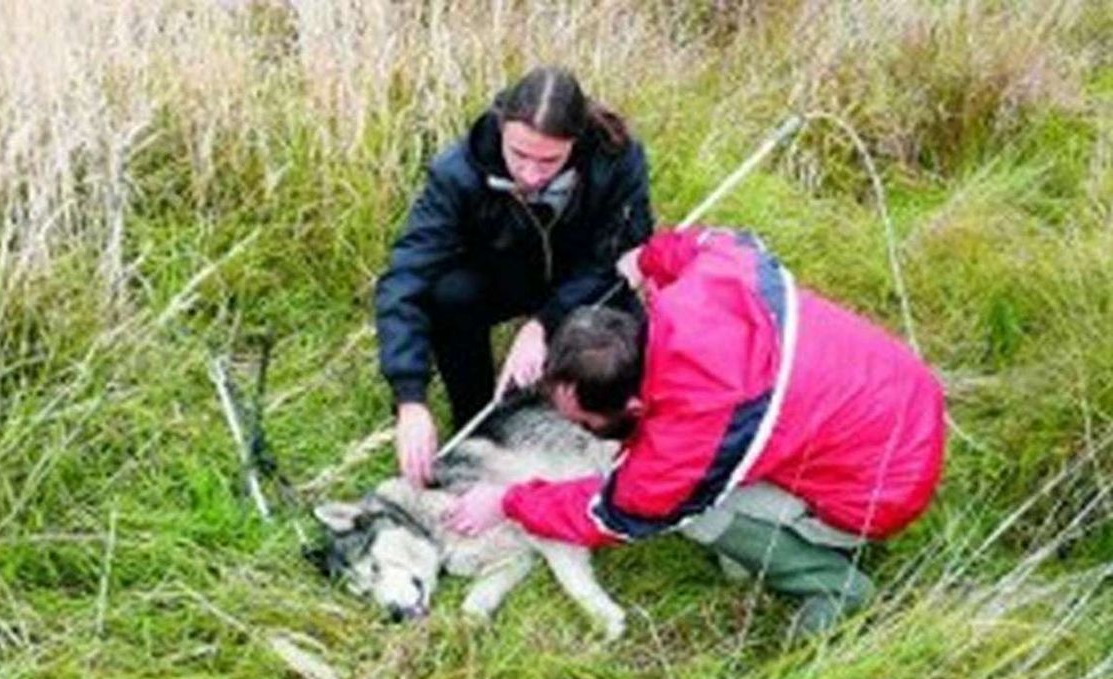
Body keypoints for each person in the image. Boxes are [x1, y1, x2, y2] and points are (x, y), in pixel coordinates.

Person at [445, 226, 946, 635]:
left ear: (636, 404)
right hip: (902, 396)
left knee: (693, 512)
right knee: (727, 471)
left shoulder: (688, 438)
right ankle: (773, 534)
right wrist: (644, 260)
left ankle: (832, 583)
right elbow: (710, 243)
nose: (578, 429)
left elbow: (617, 514)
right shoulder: (708, 284)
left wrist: (508, 502)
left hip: (880, 492)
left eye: (586, 424)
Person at [375, 66, 653, 486]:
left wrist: (544, 323)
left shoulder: (617, 159)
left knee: (625, 344)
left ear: (575, 143)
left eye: (549, 160)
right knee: (448, 295)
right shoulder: (457, 171)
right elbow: (405, 276)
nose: (530, 174)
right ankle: (480, 424)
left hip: (584, 279)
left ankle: (617, 443)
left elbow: (622, 253)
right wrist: (409, 398)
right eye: (519, 154)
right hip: (505, 273)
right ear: (501, 127)